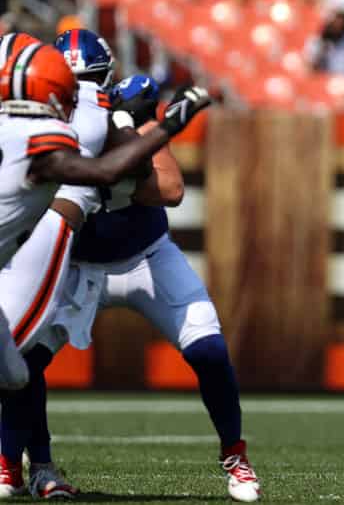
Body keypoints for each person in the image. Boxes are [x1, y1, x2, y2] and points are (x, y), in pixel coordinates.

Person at [9, 73, 260, 502]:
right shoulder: (38, 131)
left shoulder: (128, 121)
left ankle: (235, 454)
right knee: (22, 360)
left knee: (209, 349)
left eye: (88, 80)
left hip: (145, 257)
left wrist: (121, 165)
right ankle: (28, 465)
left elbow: (171, 188)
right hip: (78, 264)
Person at [0, 39, 209, 392]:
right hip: (30, 251)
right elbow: (106, 171)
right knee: (17, 357)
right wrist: (164, 126)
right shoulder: (42, 133)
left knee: (15, 375)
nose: (80, 89)